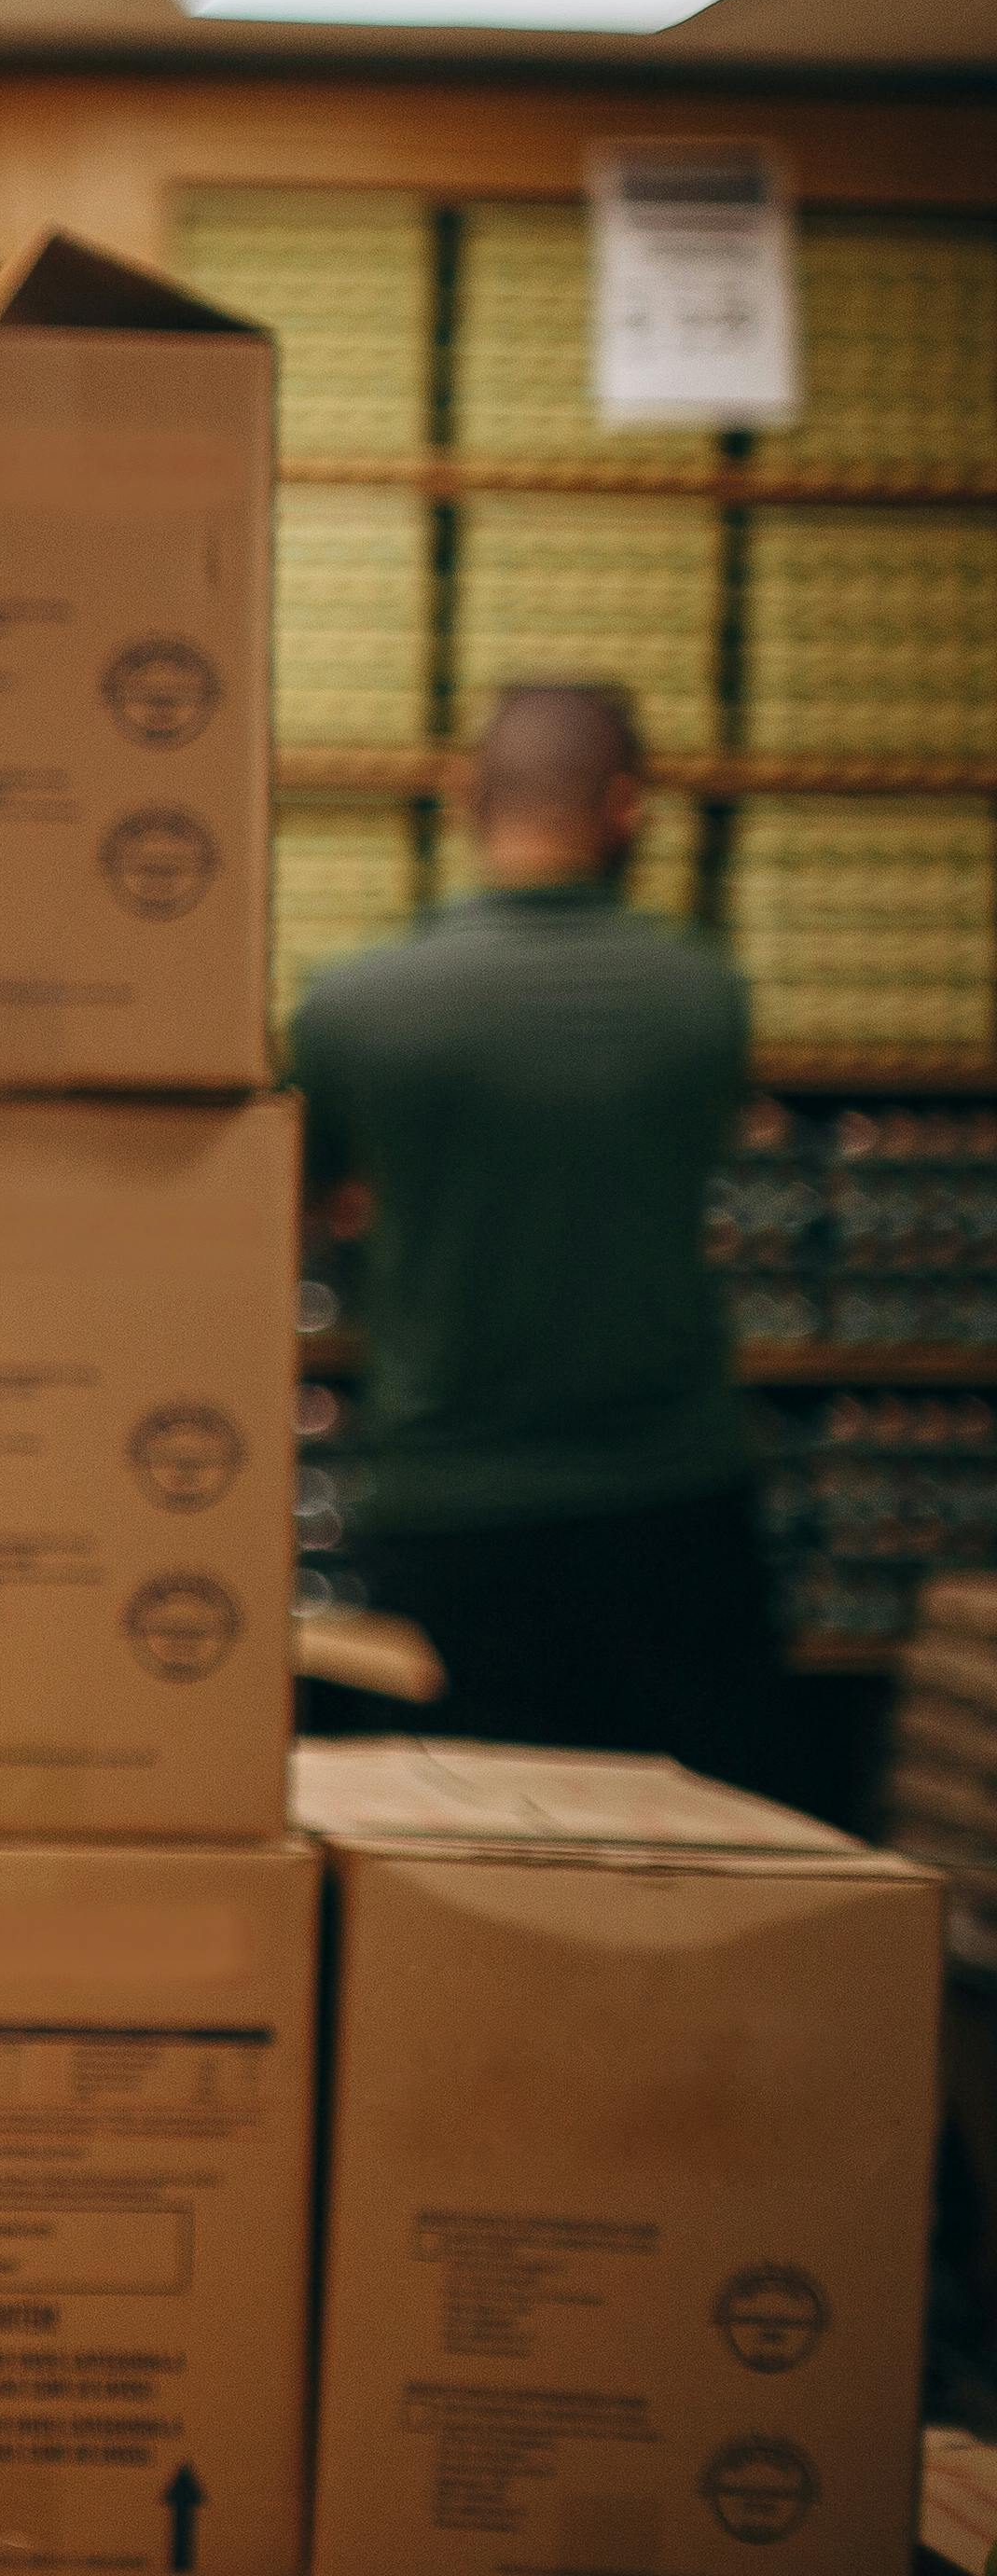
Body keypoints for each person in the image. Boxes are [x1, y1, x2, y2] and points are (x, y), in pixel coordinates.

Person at [287, 678, 782, 1787]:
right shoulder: (704, 996)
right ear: (628, 806)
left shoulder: (355, 1008)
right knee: (699, 1875)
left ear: (466, 795)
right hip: (675, 1506)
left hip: (453, 1512)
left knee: (479, 1880)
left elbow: (299, 1217)